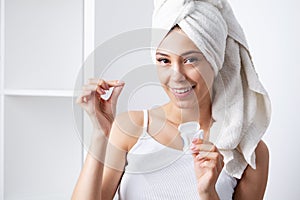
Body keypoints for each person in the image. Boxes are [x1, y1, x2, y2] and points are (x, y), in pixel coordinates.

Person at [72, 0, 271, 199]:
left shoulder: (248, 150)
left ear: (215, 60)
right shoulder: (131, 128)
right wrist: (100, 134)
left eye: (190, 60)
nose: (176, 76)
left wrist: (208, 193)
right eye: (164, 60)